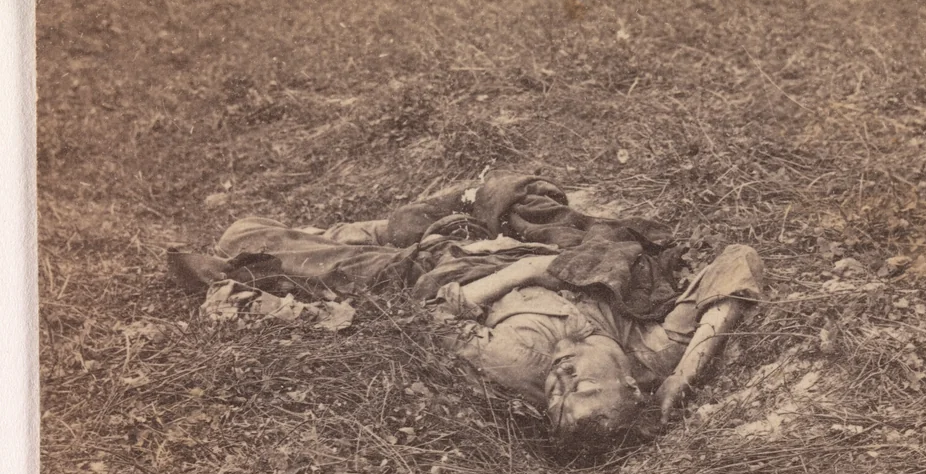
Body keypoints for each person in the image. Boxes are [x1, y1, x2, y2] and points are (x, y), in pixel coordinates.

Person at [173, 172, 764, 448]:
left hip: (444, 268)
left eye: (556, 401)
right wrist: (684, 380)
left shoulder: (515, 364)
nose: (558, 381)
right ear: (633, 386)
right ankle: (375, 226)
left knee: (243, 235)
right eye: (581, 386)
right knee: (509, 200)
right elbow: (737, 262)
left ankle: (311, 245)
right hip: (519, 248)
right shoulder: (654, 354)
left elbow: (428, 314)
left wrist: (513, 279)